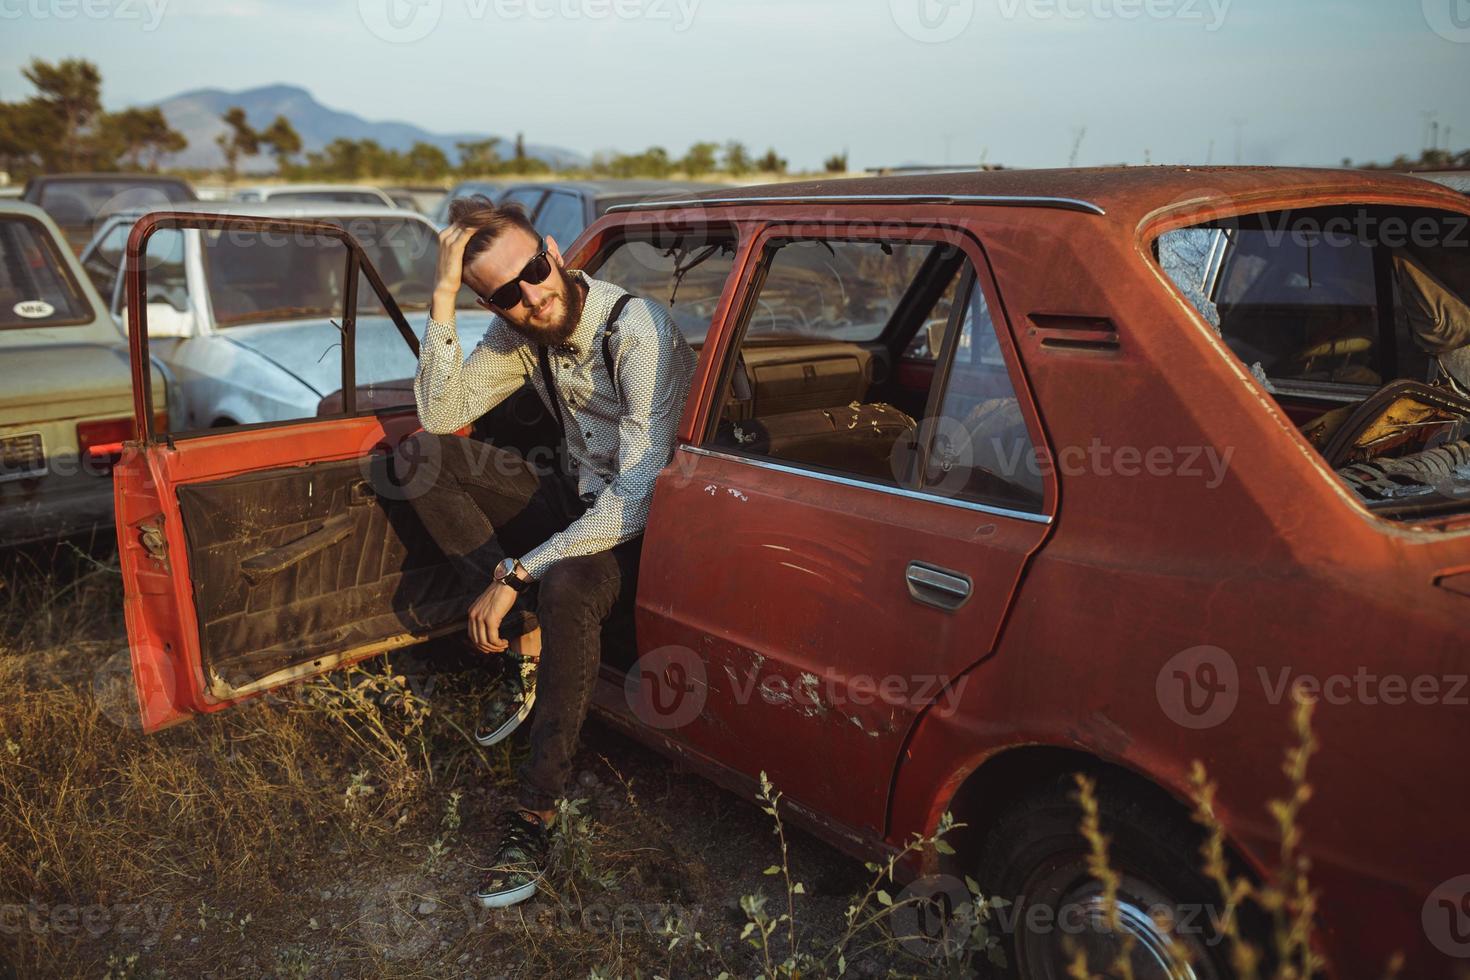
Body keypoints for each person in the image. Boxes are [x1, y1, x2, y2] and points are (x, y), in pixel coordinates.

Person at [401, 196, 695, 908]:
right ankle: (523, 631)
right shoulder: (516, 333)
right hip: (577, 500)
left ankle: (534, 811)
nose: (533, 294)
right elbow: (441, 417)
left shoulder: (636, 328)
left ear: (555, 251)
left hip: (640, 529)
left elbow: (639, 498)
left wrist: (519, 571)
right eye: (505, 292)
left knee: (565, 584)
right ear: (490, 303)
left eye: (535, 269)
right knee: (421, 457)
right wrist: (441, 296)